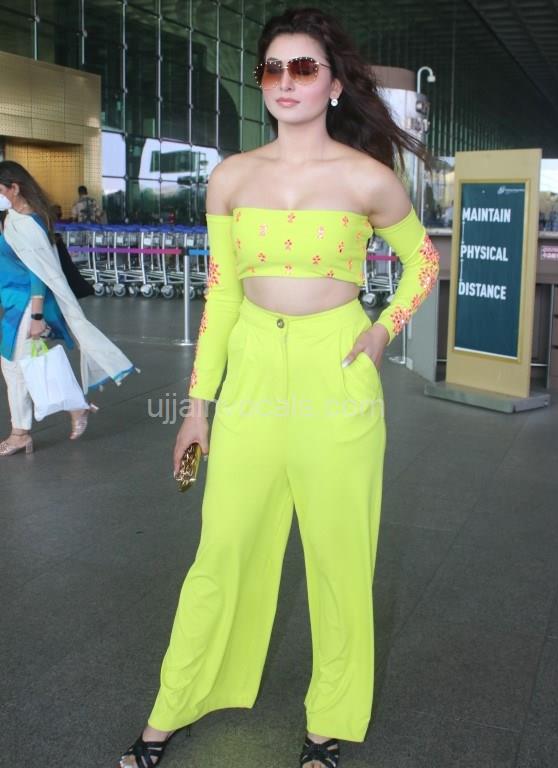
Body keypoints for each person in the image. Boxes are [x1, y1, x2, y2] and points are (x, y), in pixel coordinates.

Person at [119, 8, 439, 768]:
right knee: (222, 548)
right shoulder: (231, 177)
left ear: (334, 84)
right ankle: (176, 704)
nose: (286, 81)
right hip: (254, 373)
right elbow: (222, 297)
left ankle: (328, 722)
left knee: (339, 557)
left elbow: (424, 262)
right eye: (273, 68)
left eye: (303, 68)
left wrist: (381, 332)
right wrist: (197, 410)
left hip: (337, 371)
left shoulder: (368, 178)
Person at [0, 161, 137, 456]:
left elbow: (39, 272)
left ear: (14, 188)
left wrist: (37, 316)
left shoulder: (28, 222)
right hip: (12, 301)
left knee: (14, 365)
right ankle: (73, 407)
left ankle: (21, 432)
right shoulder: (11, 218)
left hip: (26, 303)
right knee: (18, 363)